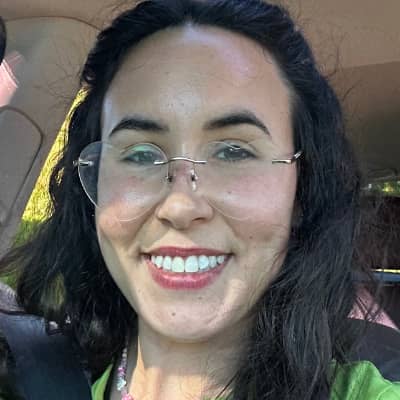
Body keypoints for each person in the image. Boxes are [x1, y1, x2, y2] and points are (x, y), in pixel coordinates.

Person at [0, 0, 399, 399]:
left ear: (301, 189)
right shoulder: (31, 374)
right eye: (140, 154)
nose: (180, 205)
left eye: (234, 151)